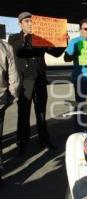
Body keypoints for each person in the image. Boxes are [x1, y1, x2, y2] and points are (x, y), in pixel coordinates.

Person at [8, 12, 66, 155]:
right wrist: (28, 37)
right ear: (20, 23)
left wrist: (64, 42)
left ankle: (44, 140)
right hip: (24, 81)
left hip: (39, 80)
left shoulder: (41, 38)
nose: (30, 23)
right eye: (26, 21)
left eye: (31, 21)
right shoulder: (14, 38)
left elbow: (56, 53)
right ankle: (22, 143)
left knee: (41, 113)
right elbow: (18, 50)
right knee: (23, 114)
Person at [64, 18, 87, 131]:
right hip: (81, 79)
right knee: (81, 107)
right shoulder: (74, 42)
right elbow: (66, 58)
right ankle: (79, 131)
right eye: (85, 29)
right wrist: (75, 52)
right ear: (80, 29)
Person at [0, 39, 19, 184]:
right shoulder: (6, 46)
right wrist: (12, 94)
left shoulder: (6, 46)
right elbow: (13, 75)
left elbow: (13, 74)